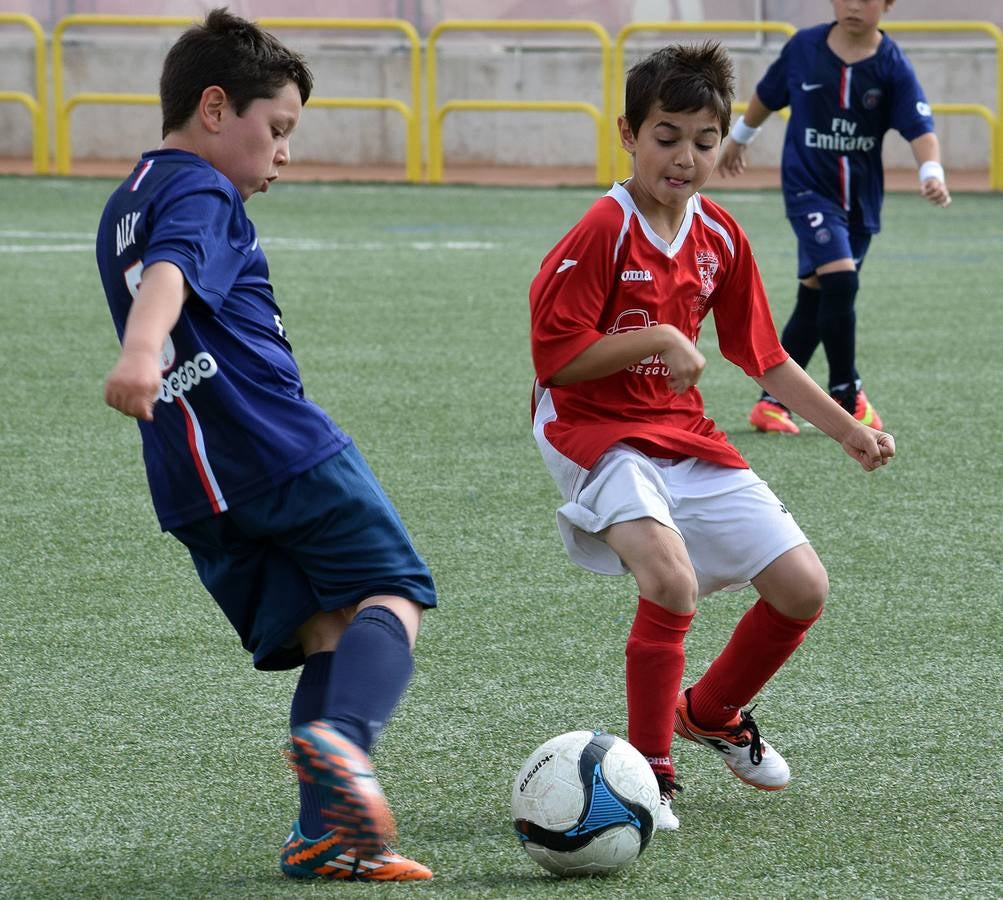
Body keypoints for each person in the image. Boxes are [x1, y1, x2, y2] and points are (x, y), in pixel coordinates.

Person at [96, 9, 435, 882]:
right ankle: (346, 742)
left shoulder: (123, 202)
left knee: (326, 628)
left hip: (195, 484)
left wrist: (151, 364)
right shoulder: (200, 190)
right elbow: (173, 270)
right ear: (215, 108)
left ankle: (325, 834)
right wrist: (138, 352)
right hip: (279, 446)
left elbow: (158, 268)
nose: (283, 151)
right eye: (275, 128)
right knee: (392, 595)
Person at [529, 41, 895, 832]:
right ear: (628, 134)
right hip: (592, 430)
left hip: (679, 432)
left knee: (803, 588)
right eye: (666, 136)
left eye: (703, 140)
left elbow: (762, 356)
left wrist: (844, 429)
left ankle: (713, 712)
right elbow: (556, 360)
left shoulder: (719, 236)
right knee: (670, 579)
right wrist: (659, 335)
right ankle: (648, 778)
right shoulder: (601, 229)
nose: (684, 157)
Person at [717, 0, 950, 435]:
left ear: (888, 5)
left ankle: (771, 403)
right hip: (808, 191)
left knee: (819, 296)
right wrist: (740, 138)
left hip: (859, 203)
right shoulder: (804, 47)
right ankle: (846, 390)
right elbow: (767, 96)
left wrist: (931, 171)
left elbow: (920, 128)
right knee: (840, 280)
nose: (853, 5)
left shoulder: (892, 64)